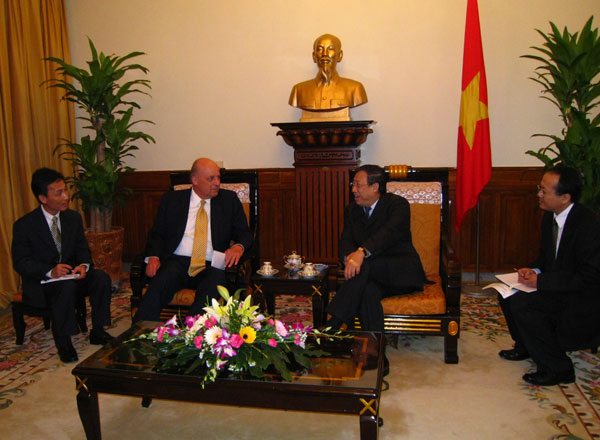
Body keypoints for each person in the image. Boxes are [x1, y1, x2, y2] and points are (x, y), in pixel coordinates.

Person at [498, 166, 600, 386]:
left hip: (582, 297)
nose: (539, 195)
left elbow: (589, 277)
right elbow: (546, 258)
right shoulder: (550, 217)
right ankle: (525, 345)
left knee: (524, 304)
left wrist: (541, 281)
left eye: (544, 191)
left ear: (565, 197)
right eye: (539, 189)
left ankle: (559, 368)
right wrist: (532, 271)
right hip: (558, 285)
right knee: (506, 291)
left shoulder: (588, 224)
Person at [11, 168, 113, 363]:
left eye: (65, 190)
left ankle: (98, 331)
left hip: (70, 278)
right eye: (59, 193)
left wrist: (83, 265)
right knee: (64, 288)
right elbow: (21, 262)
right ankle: (64, 343)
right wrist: (50, 271)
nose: (66, 196)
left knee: (101, 278)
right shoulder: (24, 225)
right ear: (43, 198)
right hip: (43, 283)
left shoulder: (72, 218)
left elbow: (82, 249)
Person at [132, 158, 253, 322]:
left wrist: (238, 247)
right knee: (160, 283)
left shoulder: (229, 200)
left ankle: (193, 333)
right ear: (194, 180)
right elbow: (157, 233)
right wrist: (153, 257)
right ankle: (141, 334)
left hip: (211, 263)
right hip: (177, 261)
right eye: (210, 178)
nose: (217, 183)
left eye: (218, 177)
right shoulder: (172, 200)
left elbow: (245, 233)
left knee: (214, 285)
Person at [326, 165, 427, 332]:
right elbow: (345, 240)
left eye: (358, 185)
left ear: (375, 187)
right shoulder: (352, 210)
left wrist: (361, 252)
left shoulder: (397, 205)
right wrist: (349, 258)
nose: (353, 190)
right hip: (371, 277)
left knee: (363, 266)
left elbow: (387, 234)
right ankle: (374, 350)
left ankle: (333, 325)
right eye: (353, 185)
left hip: (400, 272)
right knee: (368, 291)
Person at [289, 34, 367, 117]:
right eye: (320, 49)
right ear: (314, 56)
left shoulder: (355, 88)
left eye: (330, 49)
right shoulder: (299, 90)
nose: (325, 54)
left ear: (340, 55)